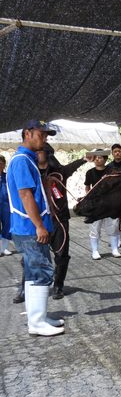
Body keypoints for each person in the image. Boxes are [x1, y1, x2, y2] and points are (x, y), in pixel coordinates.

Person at [6, 119, 64, 336]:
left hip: (27, 229)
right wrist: (40, 226)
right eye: (41, 134)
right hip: (31, 230)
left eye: (46, 135)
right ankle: (37, 323)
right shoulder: (22, 161)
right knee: (41, 272)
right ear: (27, 134)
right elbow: (25, 194)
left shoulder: (26, 159)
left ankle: (37, 317)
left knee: (32, 273)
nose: (45, 139)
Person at [38, 143, 92, 299]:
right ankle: (25, 287)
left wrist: (84, 159)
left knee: (61, 254)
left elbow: (72, 166)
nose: (37, 154)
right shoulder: (31, 172)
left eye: (40, 151)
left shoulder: (60, 172)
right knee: (34, 255)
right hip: (40, 221)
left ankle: (58, 286)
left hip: (59, 220)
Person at [84, 150, 121, 259]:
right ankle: (95, 251)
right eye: (95, 157)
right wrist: (89, 198)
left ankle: (115, 249)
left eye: (100, 157)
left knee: (113, 226)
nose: (97, 159)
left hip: (110, 204)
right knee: (95, 227)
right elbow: (87, 187)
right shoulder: (90, 172)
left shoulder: (112, 171)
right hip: (95, 205)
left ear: (105, 159)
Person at [0, 155, 12, 255]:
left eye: (1, 163)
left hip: (6, 205)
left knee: (7, 226)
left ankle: (4, 248)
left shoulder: (7, 176)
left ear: (4, 165)